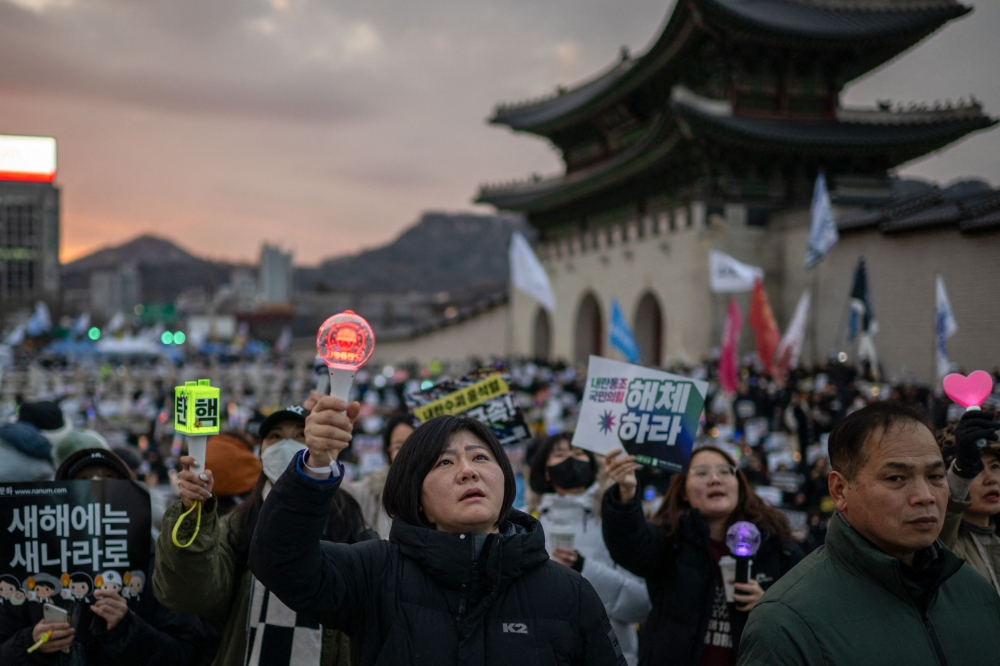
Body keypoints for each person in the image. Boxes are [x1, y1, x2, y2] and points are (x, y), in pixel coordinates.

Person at [249, 399, 627, 666]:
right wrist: (315, 465)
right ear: (415, 494)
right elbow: (280, 560)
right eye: (444, 462)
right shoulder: (376, 572)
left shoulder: (570, 592)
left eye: (480, 457)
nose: (468, 471)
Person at [737, 402, 1000, 665]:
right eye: (896, 478)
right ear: (840, 490)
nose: (925, 496)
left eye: (935, 476)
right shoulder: (785, 625)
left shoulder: (978, 593)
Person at [154, 405, 375, 666]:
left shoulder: (349, 522)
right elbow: (192, 593)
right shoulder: (237, 525)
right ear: (261, 450)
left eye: (300, 435)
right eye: (275, 437)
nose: (286, 445)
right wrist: (193, 516)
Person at [0, 448, 205, 665]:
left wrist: (127, 629)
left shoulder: (158, 562)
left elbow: (187, 652)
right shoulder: (29, 560)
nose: (95, 488)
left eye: (109, 479)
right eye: (84, 480)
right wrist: (30, 644)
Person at [602, 445, 803, 666]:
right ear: (684, 492)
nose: (715, 479)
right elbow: (629, 544)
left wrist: (770, 605)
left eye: (725, 471)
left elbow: (807, 615)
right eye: (702, 473)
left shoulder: (776, 546)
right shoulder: (669, 541)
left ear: (740, 485)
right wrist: (626, 495)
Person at [529, 434, 651, 666]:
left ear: (593, 467)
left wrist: (584, 569)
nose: (571, 460)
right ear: (545, 472)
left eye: (578, 453)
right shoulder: (524, 525)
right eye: (560, 454)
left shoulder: (616, 521)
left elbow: (641, 606)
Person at [938, 410, 1000, 594]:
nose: (991, 479)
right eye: (977, 468)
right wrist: (962, 471)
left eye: (995, 466)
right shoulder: (942, 547)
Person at [342, 412, 415, 538]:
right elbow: (341, 490)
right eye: (398, 446)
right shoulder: (374, 488)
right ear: (388, 452)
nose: (405, 452)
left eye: (413, 445)